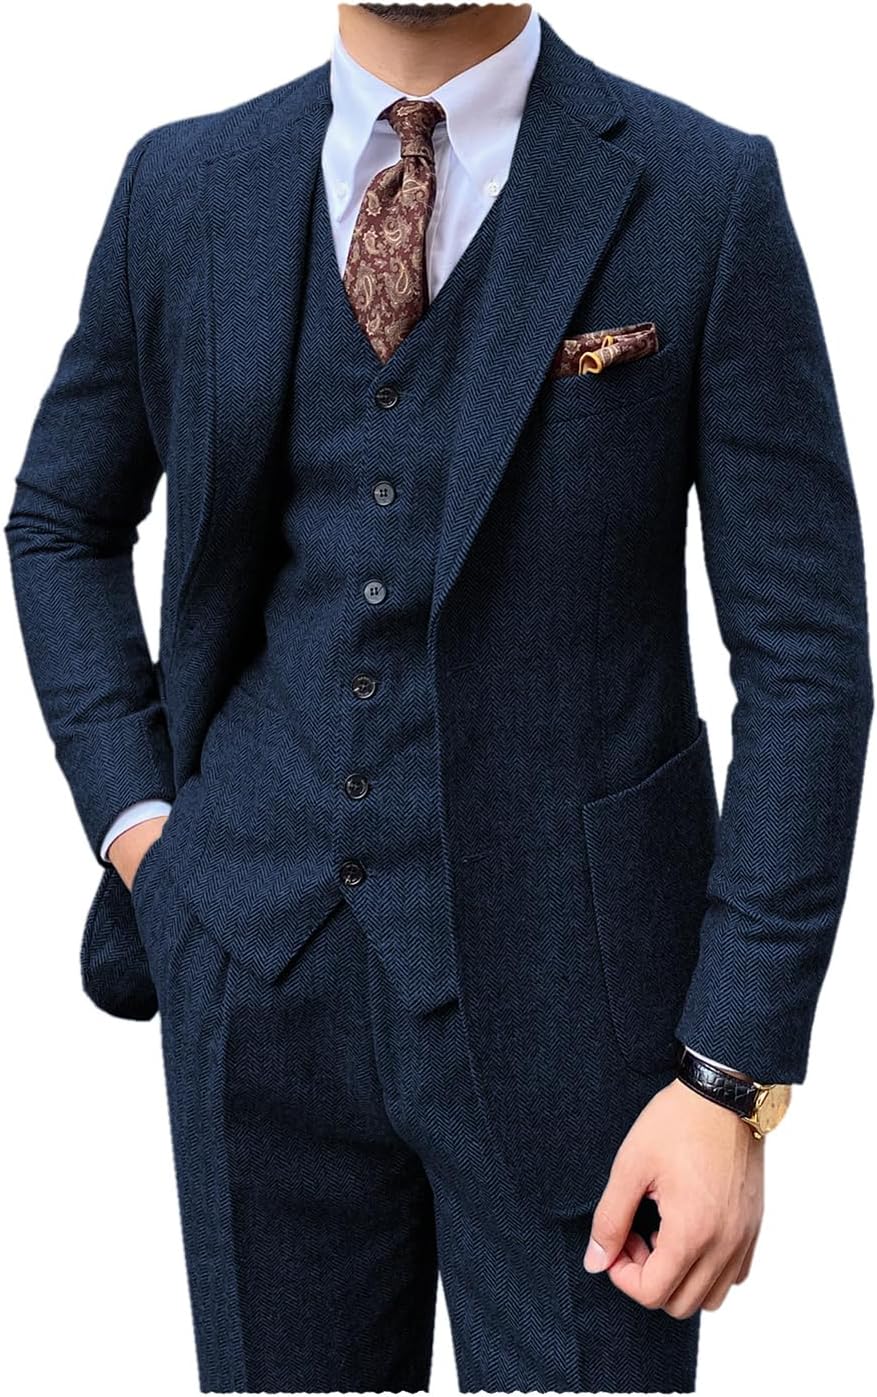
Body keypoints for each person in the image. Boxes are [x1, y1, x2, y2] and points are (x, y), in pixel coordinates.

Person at [6, 3, 872, 1392]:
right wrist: (141, 831)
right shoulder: (184, 186)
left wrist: (730, 1073)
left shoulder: (701, 192)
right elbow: (60, 518)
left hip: (588, 1017)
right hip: (252, 966)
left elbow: (806, 655)